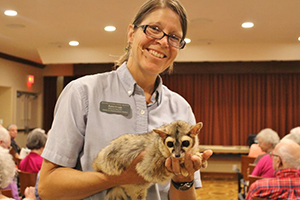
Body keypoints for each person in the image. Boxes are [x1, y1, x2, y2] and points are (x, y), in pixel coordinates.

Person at [38, 0, 213, 199]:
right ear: (131, 33)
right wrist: (118, 177)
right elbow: (47, 188)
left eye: (174, 37)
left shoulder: (181, 109)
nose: (164, 42)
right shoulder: (83, 93)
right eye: (154, 29)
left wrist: (184, 178)